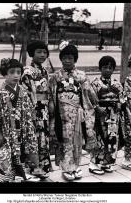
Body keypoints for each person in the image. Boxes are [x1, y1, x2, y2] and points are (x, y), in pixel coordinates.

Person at [48, 42, 98, 181]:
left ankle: (75, 166)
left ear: (75, 59)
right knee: (64, 141)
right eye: (64, 58)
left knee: (77, 142)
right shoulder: (55, 77)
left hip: (77, 115)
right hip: (62, 115)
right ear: (61, 59)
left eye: (70, 58)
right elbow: (51, 95)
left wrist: (92, 107)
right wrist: (52, 107)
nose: (67, 60)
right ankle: (67, 168)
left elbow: (88, 95)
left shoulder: (81, 76)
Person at [0, 58, 40, 182]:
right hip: (6, 130)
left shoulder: (23, 91)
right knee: (5, 155)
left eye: (18, 72)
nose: (16, 75)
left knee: (19, 153)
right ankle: (6, 177)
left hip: (20, 129)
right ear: (5, 74)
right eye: (11, 72)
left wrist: (30, 125)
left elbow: (28, 110)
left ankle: (19, 176)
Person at [20, 40, 52, 179]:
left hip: (43, 108)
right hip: (33, 108)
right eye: (39, 52)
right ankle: (31, 168)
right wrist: (31, 109)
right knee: (33, 137)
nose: (42, 55)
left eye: (45, 52)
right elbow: (26, 92)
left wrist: (49, 103)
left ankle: (42, 166)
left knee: (43, 137)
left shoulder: (44, 71)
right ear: (32, 53)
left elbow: (47, 90)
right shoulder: (27, 71)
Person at [90, 56, 124, 174]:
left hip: (113, 115)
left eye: (110, 68)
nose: (108, 70)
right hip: (101, 115)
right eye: (105, 67)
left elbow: (122, 98)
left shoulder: (117, 84)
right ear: (100, 68)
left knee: (112, 138)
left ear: (113, 69)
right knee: (100, 138)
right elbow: (90, 100)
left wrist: (120, 103)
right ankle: (94, 163)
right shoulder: (95, 83)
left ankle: (106, 162)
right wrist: (97, 108)